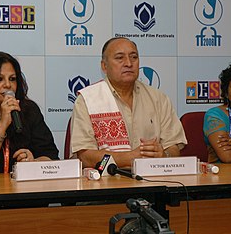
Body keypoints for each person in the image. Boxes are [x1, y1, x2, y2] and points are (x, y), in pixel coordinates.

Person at [70, 37, 187, 168]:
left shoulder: (158, 99)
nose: (129, 63)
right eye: (120, 58)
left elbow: (174, 148)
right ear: (104, 66)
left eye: (134, 57)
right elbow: (85, 158)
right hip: (106, 182)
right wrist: (129, 158)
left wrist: (163, 156)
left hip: (152, 182)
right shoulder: (88, 100)